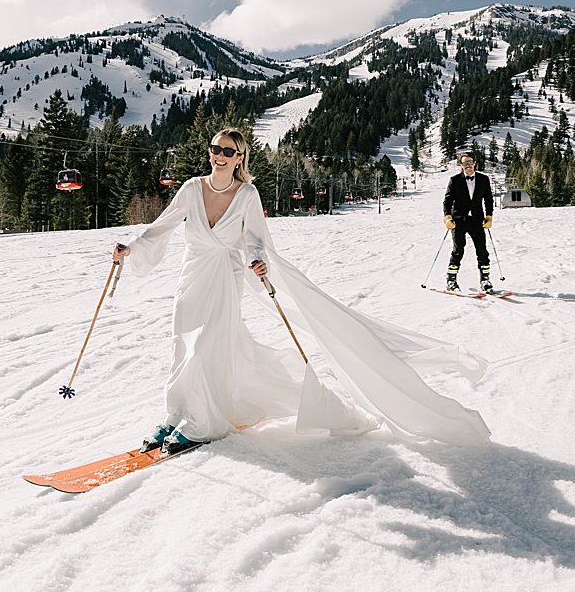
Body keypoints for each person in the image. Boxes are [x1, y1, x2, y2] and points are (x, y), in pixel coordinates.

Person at [115, 128, 492, 449]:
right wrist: (131, 246)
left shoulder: (247, 195)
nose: (218, 156)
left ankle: (201, 422)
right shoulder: (190, 188)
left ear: (240, 157)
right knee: (184, 346)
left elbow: (255, 240)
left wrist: (258, 259)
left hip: (224, 279)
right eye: (215, 149)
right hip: (192, 277)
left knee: (206, 345)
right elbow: (159, 227)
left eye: (227, 152)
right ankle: (176, 413)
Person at [443, 152, 494, 293]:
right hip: (458, 221)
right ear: (461, 165)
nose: (468, 166)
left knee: (482, 250)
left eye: (470, 162)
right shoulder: (455, 180)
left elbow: (488, 200)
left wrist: (489, 216)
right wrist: (447, 218)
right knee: (458, 250)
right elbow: (447, 201)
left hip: (477, 221)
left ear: (475, 163)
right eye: (465, 163)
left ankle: (485, 280)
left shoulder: (484, 179)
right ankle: (451, 280)